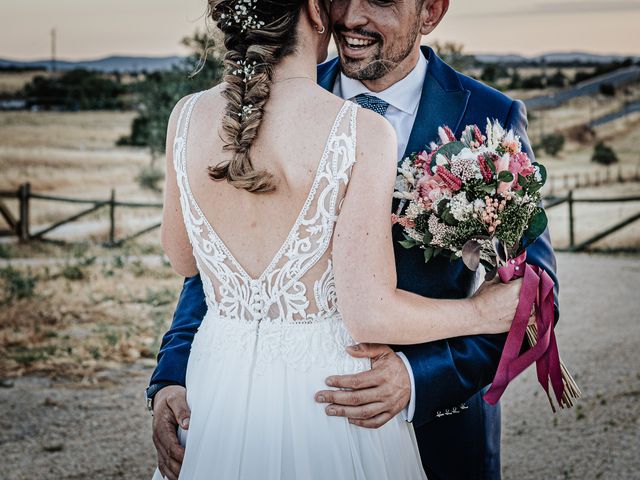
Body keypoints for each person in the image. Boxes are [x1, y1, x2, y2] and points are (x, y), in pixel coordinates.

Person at [149, 0, 559, 479]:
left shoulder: (489, 117)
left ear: (430, 11)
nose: (352, 15)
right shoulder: (259, 98)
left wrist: (416, 378)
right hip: (259, 408)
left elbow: (530, 295)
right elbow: (219, 264)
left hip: (440, 428)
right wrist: (172, 376)